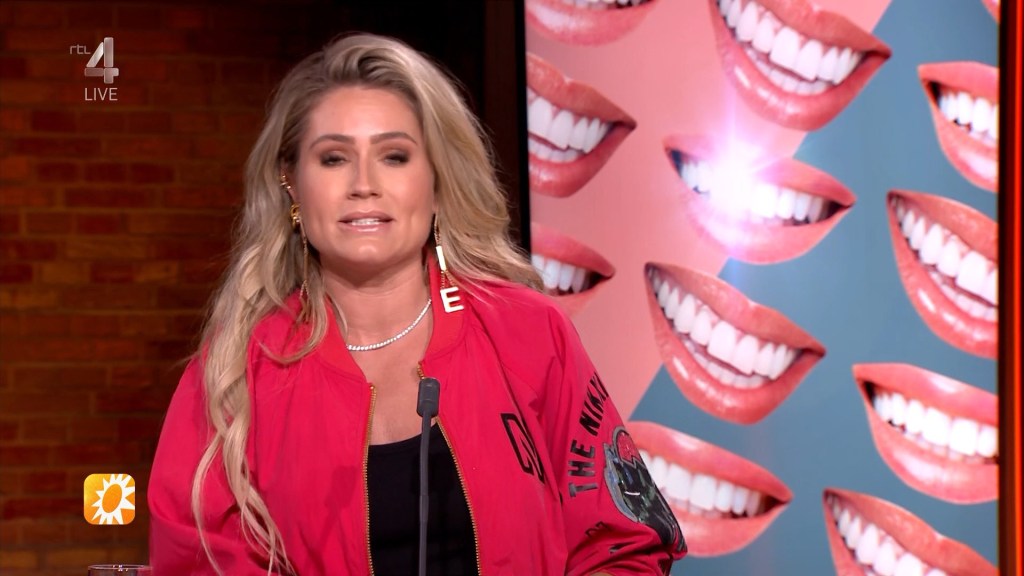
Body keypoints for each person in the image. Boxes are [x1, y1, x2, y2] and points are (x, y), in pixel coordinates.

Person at [148, 33, 686, 575]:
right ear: (292, 183)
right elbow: (194, 560)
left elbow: (625, 542)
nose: (364, 185)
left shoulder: (527, 330)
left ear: (436, 181)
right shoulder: (238, 368)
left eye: (394, 156)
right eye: (333, 158)